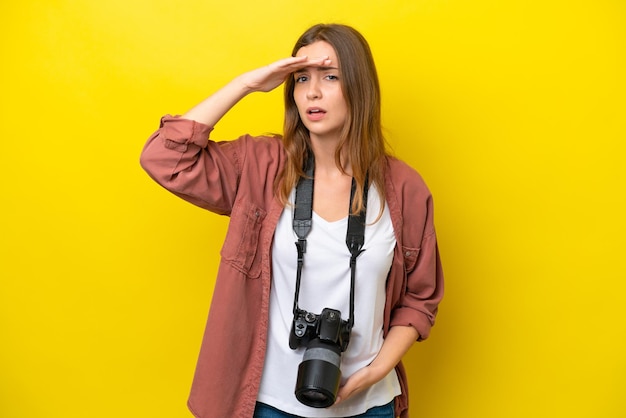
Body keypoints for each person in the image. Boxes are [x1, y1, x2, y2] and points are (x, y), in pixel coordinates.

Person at [140, 23, 444, 418]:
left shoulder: (404, 189)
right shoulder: (261, 166)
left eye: (330, 77)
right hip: (272, 403)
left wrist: (377, 370)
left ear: (359, 87)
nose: (312, 92)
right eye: (302, 79)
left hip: (370, 405)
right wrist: (245, 84)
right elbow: (164, 158)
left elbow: (420, 299)